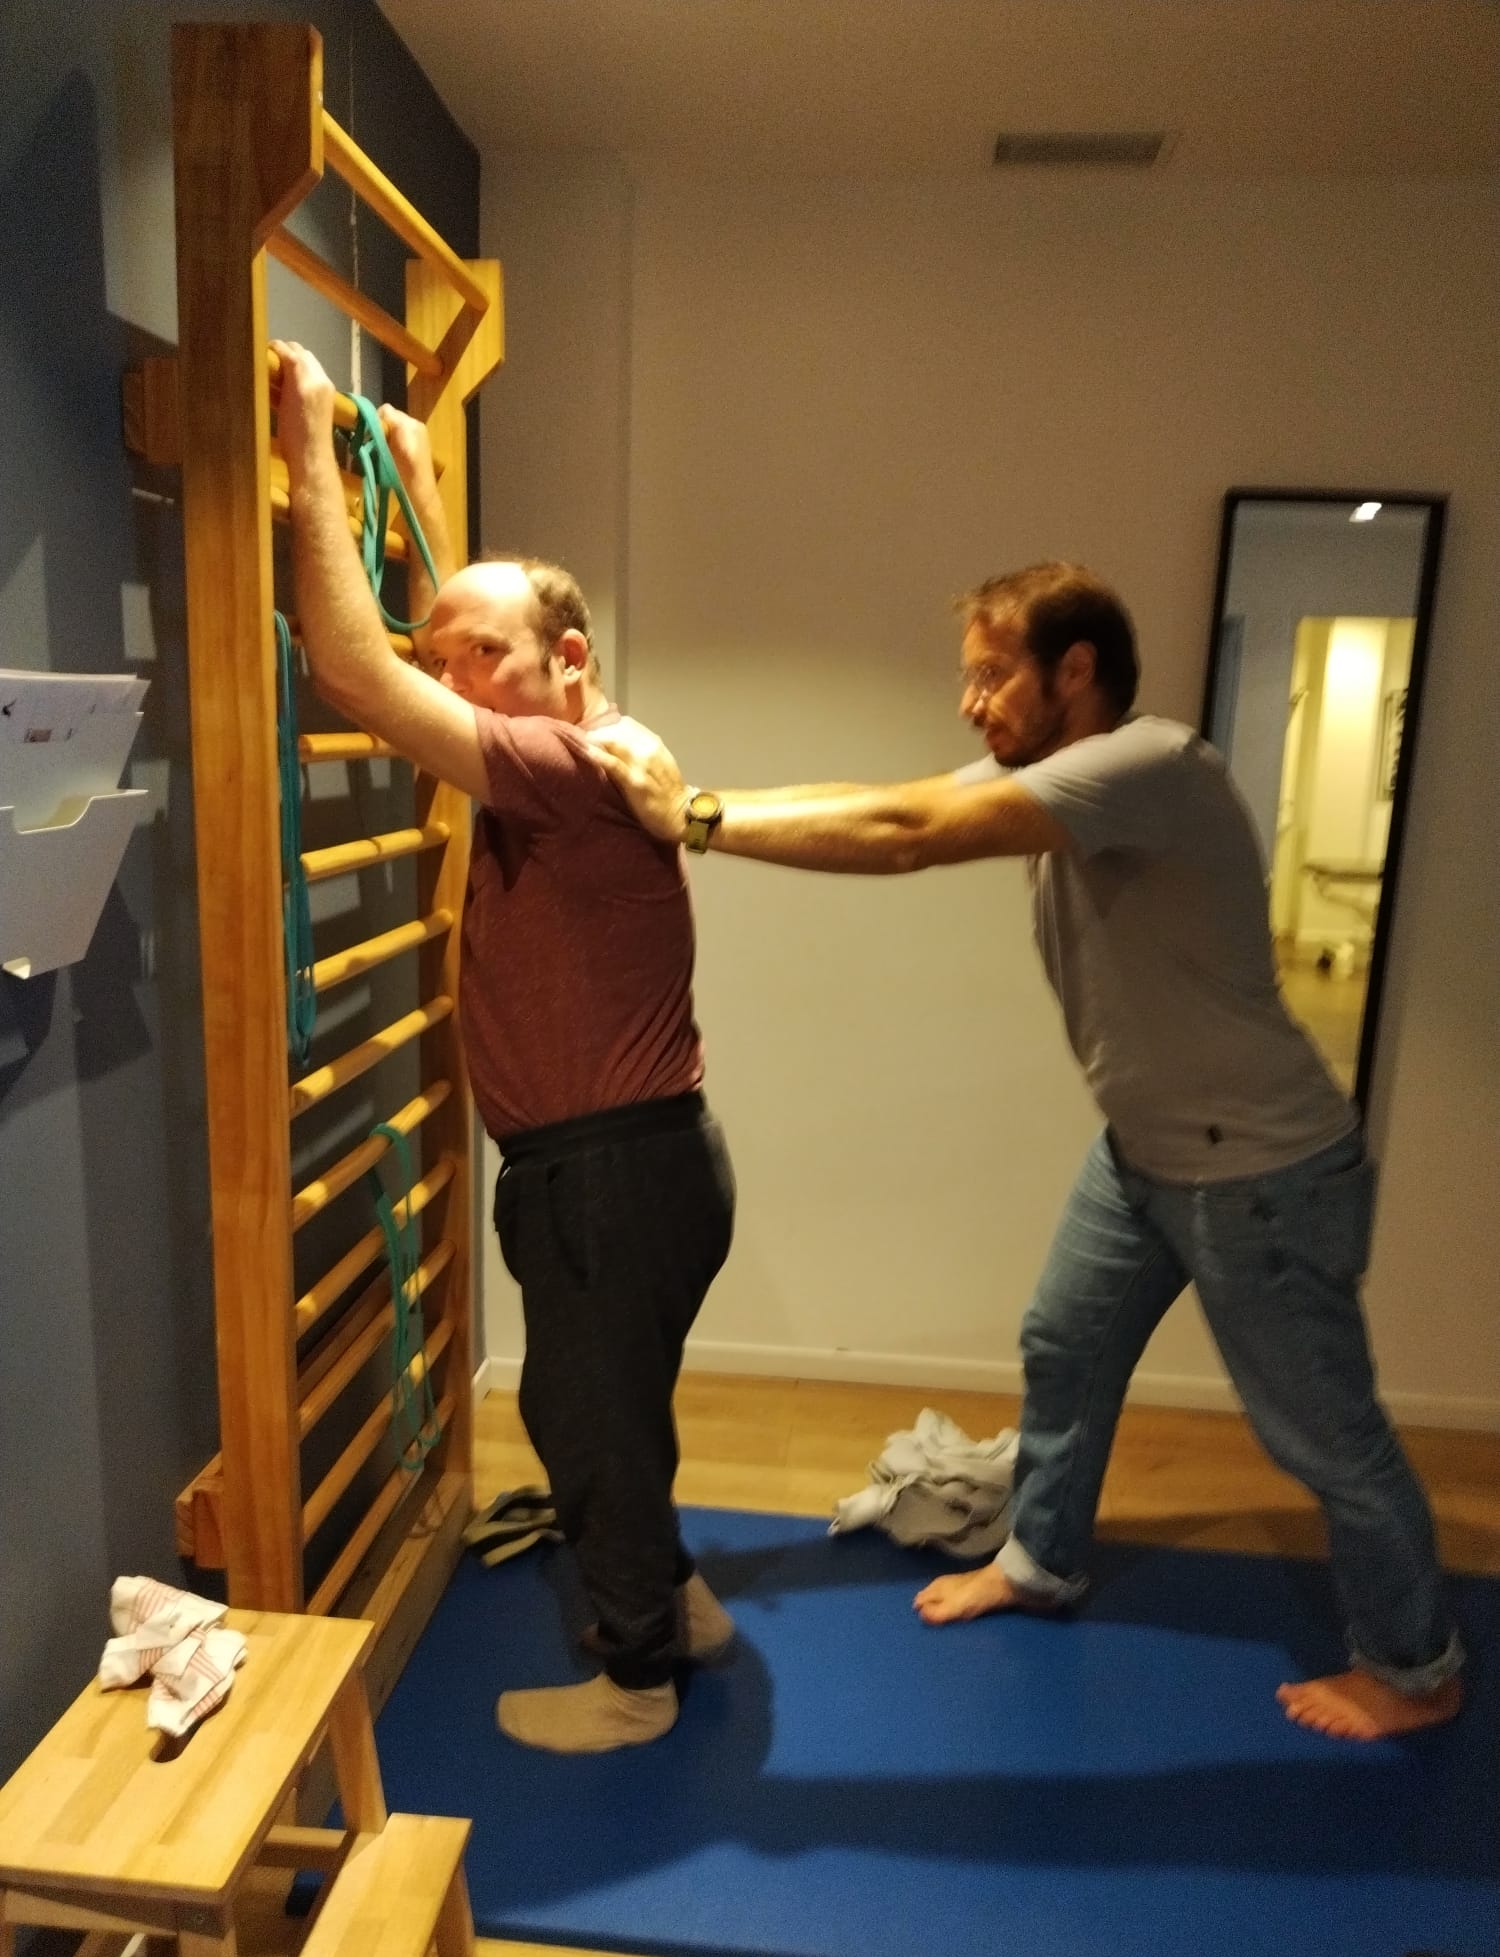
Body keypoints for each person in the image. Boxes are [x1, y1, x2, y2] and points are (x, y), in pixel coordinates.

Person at [586, 560, 1463, 1743]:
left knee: (1323, 1432)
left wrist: (692, 817)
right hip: (1145, 1151)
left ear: (1076, 670)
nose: (969, 702)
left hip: (1258, 1167)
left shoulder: (1146, 765)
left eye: (992, 675)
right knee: (1066, 1340)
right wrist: (700, 800)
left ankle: (1415, 1664)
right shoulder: (1054, 778)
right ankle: (1041, 1559)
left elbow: (909, 835)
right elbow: (883, 798)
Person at [272, 341, 736, 1754]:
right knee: (617, 1409)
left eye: (482, 655)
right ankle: (681, 1603)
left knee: (583, 1421)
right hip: (648, 1163)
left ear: (566, 662)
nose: (454, 671)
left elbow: (356, 670)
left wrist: (309, 451)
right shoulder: (581, 739)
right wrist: (419, 493)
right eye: (450, 652)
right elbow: (460, 643)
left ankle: (639, 1681)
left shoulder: (558, 766)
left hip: (604, 1177)